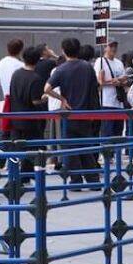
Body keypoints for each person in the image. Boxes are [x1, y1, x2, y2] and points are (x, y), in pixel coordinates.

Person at [47, 39, 101, 184]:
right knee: (86, 147)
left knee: (70, 148)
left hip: (68, 114)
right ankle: (93, 179)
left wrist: (62, 99)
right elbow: (95, 89)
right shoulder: (87, 67)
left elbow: (47, 89)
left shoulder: (61, 69)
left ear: (63, 51)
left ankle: (76, 180)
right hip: (86, 113)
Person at [3, 45, 50, 166]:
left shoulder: (16, 74)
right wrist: (44, 99)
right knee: (33, 153)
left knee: (16, 151)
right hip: (31, 121)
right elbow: (35, 101)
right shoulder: (36, 78)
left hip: (15, 118)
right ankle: (29, 174)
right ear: (37, 60)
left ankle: (15, 175)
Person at [95, 39, 128, 139]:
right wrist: (112, 81)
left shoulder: (119, 63)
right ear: (105, 48)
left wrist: (120, 82)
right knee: (107, 132)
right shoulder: (100, 61)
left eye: (115, 46)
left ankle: (115, 149)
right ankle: (106, 149)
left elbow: (125, 80)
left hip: (119, 103)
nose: (113, 48)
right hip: (106, 103)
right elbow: (99, 81)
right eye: (111, 46)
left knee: (118, 132)